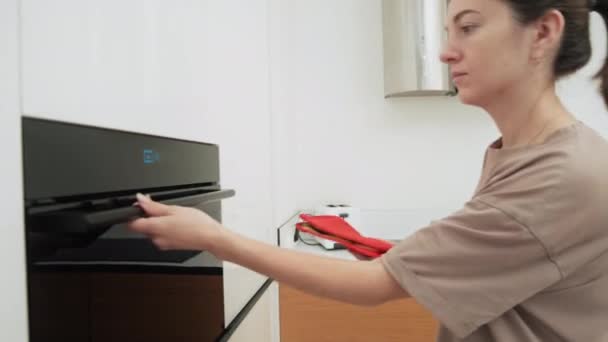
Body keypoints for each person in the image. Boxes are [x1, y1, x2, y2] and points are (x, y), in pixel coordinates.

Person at [128, 0, 608, 341]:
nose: (446, 52)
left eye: (469, 27)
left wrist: (216, 238)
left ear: (543, 32)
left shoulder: (562, 175)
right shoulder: (526, 152)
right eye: (447, 33)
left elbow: (377, 283)